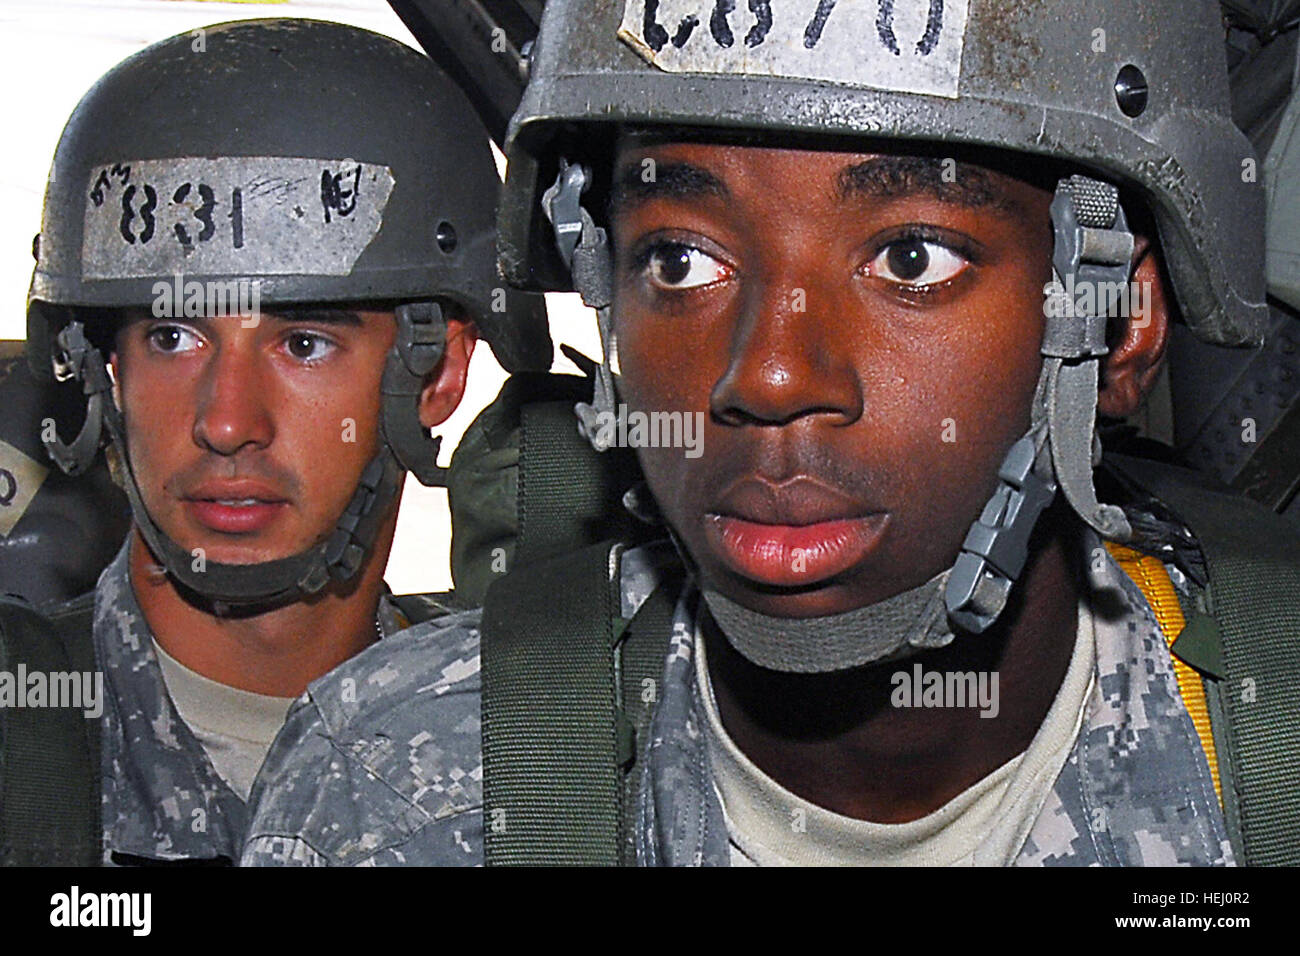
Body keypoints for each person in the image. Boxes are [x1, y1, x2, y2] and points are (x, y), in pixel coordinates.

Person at [243, 0, 1295, 866]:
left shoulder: (1267, 755)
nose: (771, 375)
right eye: (680, 262)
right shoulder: (400, 788)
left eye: (913, 259)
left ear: (1115, 325)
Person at [0, 17, 547, 866]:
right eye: (173, 337)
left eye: (303, 344)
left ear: (438, 371)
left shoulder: (546, 755)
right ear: (106, 368)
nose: (226, 423)